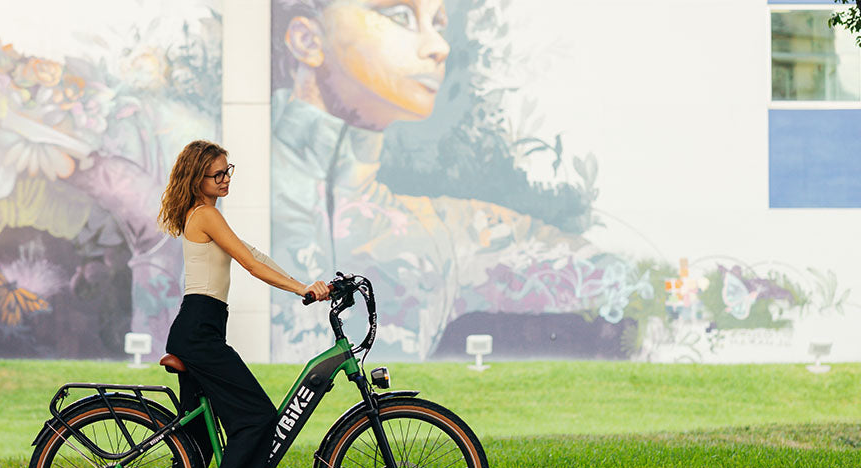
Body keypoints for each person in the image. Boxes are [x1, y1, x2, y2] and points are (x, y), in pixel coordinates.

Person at [269, 0, 652, 362]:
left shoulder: (443, 233)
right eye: (401, 14)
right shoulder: (235, 194)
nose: (439, 46)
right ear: (307, 39)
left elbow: (621, 279)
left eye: (438, 23)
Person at [156, 140, 330, 468]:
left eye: (228, 170)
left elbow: (253, 254)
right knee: (257, 417)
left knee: (196, 440)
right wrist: (299, 289)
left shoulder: (208, 215)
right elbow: (250, 266)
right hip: (199, 331)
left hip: (201, 326)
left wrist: (302, 282)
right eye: (218, 174)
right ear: (197, 178)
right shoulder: (206, 214)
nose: (226, 179)